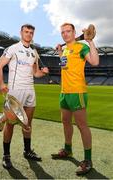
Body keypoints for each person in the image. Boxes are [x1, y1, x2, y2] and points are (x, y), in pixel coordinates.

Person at [0, 24, 49, 169]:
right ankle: (6, 156)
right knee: (10, 124)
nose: (29, 34)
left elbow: (35, 73)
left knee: (27, 124)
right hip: (15, 91)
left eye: (31, 33)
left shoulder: (34, 52)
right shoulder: (13, 48)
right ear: (21, 33)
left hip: (30, 90)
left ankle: (27, 151)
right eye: (26, 32)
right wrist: (1, 84)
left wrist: (43, 72)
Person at [51, 23, 99, 175]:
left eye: (68, 31)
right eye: (63, 32)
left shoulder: (81, 47)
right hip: (64, 92)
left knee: (82, 125)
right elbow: (64, 66)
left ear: (74, 32)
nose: (65, 34)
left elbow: (95, 62)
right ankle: (68, 150)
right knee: (65, 121)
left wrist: (89, 41)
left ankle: (88, 160)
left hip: (77, 92)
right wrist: (60, 52)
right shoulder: (65, 49)